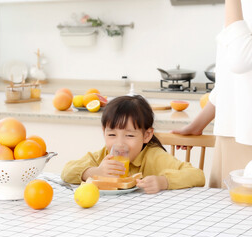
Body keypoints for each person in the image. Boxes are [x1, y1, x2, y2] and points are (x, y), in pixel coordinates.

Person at [172, 0, 252, 188]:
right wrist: (198, 124)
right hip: (230, 133)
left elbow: (240, 59)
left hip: (246, 136)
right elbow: (229, 81)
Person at [61, 95, 205, 194]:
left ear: (146, 135)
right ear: (104, 132)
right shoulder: (103, 156)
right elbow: (66, 172)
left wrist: (163, 182)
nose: (119, 143)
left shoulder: (154, 157)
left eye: (129, 135)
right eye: (112, 135)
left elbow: (197, 176)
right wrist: (94, 172)